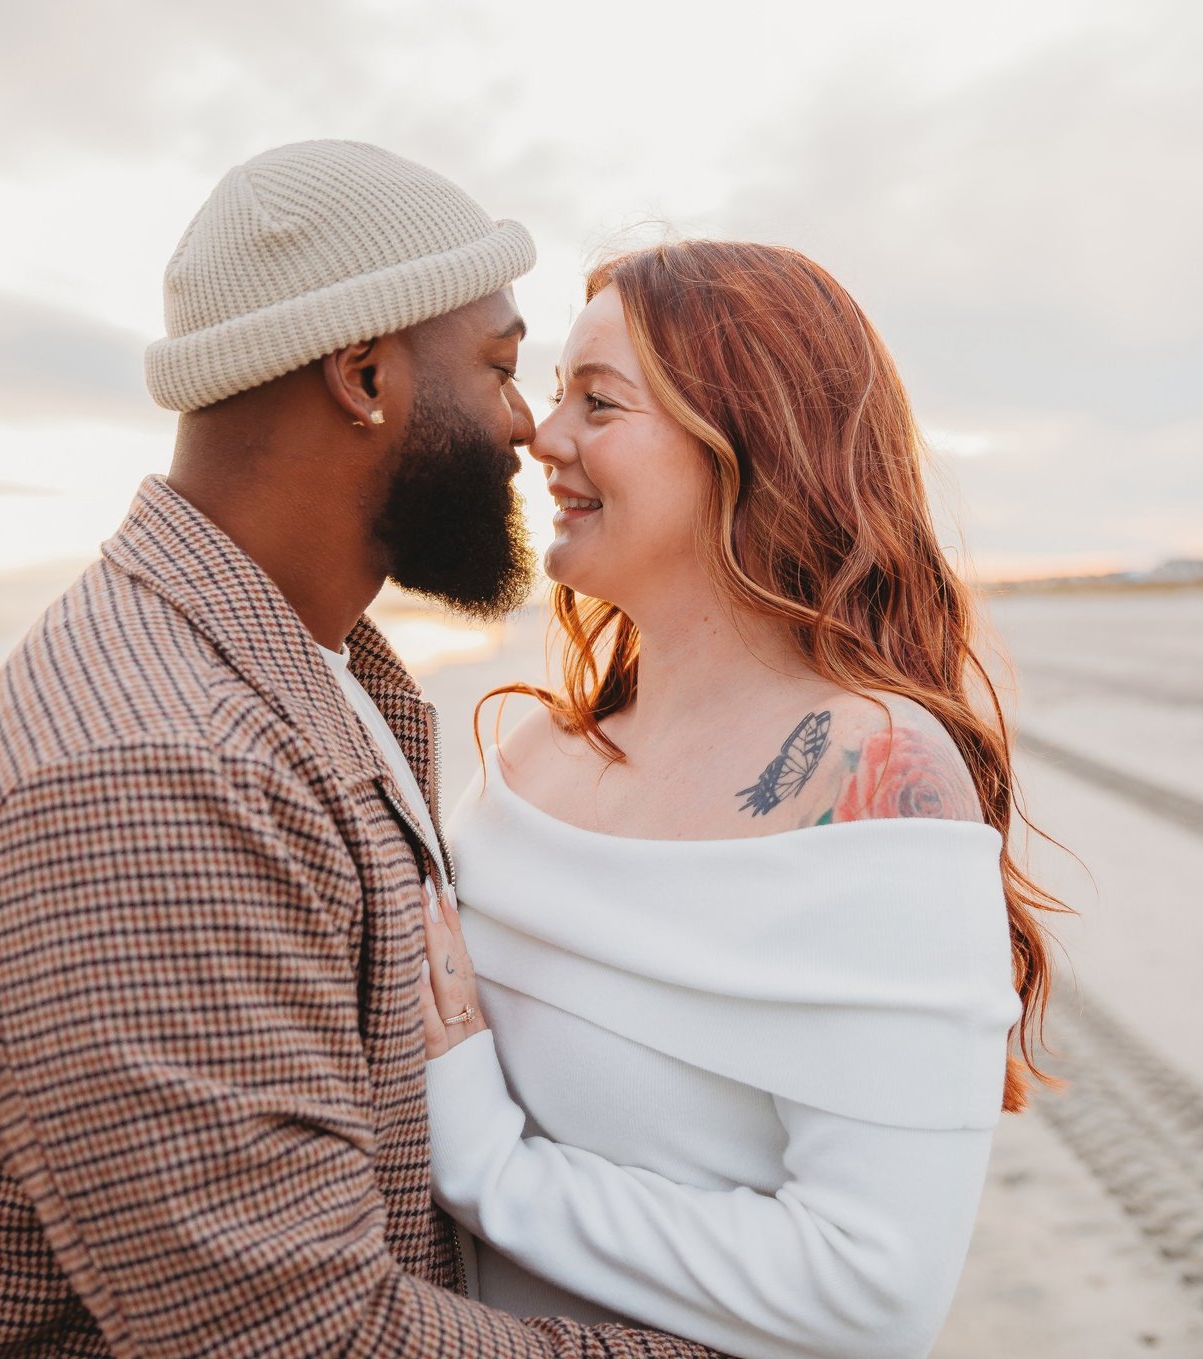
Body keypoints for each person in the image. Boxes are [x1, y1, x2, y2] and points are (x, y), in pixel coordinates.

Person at [0, 140, 727, 1358]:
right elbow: (300, 1338)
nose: (526, 430)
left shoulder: (306, 673)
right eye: (499, 367)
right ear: (365, 373)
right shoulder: (146, 782)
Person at [415, 240, 1069, 1359]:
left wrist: (484, 1163)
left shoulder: (878, 782)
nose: (543, 437)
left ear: (748, 441)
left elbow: (871, 1292)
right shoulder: (527, 761)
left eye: (599, 402)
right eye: (553, 392)